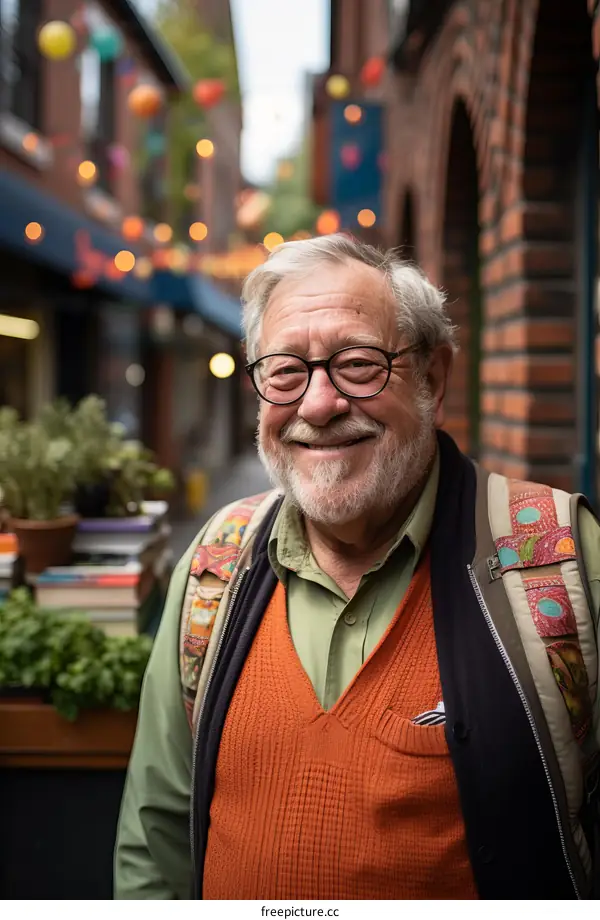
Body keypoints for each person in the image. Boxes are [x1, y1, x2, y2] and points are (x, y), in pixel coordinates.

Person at [115, 234, 600, 900]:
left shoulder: (564, 560)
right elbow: (156, 835)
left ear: (432, 377)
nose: (318, 404)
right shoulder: (211, 566)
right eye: (286, 369)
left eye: (359, 363)